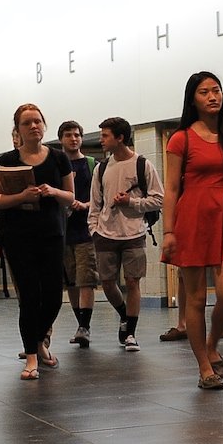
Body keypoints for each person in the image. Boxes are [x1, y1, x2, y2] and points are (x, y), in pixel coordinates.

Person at [160, 71, 223, 390]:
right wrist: (169, 231)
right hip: (192, 220)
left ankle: (212, 343)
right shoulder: (181, 139)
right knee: (196, 299)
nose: (213, 96)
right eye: (204, 92)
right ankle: (204, 367)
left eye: (217, 90)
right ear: (193, 100)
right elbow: (172, 189)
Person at [0, 104, 74, 379]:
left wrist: (53, 191)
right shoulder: (7, 160)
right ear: (18, 130)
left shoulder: (59, 158)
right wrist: (21, 197)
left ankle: (39, 341)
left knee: (52, 296)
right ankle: (31, 357)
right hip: (18, 237)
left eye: (37, 121)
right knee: (29, 296)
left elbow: (70, 197)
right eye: (27, 123)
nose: (33, 126)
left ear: (44, 125)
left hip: (52, 234)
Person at [88, 116, 163, 351]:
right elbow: (95, 204)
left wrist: (131, 202)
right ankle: (124, 314)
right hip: (105, 234)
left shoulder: (142, 165)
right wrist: (94, 230)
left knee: (132, 282)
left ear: (120, 138)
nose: (101, 140)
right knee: (107, 283)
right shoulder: (101, 168)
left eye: (105, 136)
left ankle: (130, 332)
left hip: (134, 234)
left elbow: (159, 199)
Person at [56, 120, 99, 347]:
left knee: (86, 279)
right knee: (71, 281)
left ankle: (85, 326)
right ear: (60, 139)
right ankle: (80, 324)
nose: (73, 139)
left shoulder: (92, 165)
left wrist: (84, 205)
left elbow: (101, 199)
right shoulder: (56, 166)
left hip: (85, 231)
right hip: (63, 232)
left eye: (77, 135)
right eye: (68, 135)